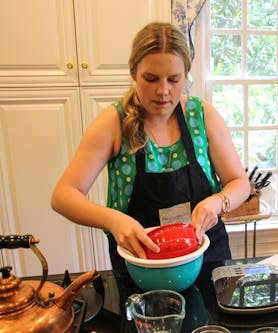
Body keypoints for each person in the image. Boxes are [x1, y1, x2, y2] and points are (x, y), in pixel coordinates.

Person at [51, 22, 251, 273]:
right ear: (134, 72)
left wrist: (218, 202)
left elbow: (239, 183)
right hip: (142, 264)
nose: (163, 91)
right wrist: (113, 219)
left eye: (174, 79)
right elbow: (63, 196)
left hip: (206, 257)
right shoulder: (114, 122)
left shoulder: (202, 116)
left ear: (186, 76)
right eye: (151, 78)